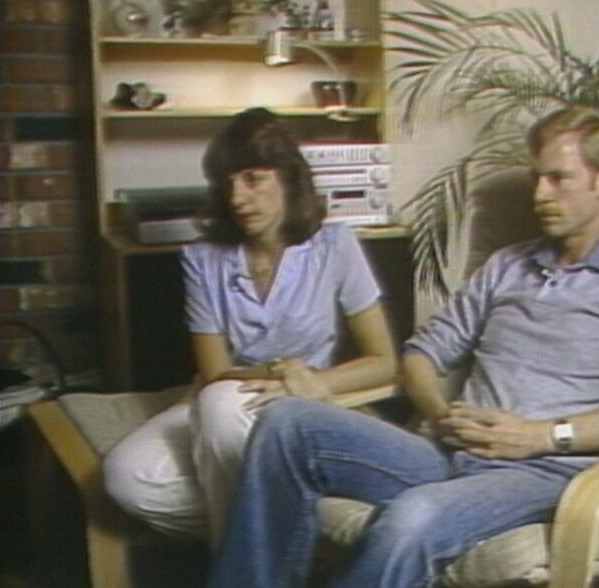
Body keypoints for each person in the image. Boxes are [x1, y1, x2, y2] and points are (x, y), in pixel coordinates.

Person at [208, 106, 599, 587]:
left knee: (412, 517)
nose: (539, 194)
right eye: (536, 179)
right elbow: (423, 353)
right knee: (286, 420)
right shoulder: (508, 266)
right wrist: (439, 413)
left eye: (558, 178)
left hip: (545, 472)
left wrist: (543, 435)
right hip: (449, 450)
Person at [102, 108, 397, 546]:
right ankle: (288, 527)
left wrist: (311, 382)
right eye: (227, 183)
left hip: (304, 402)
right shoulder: (203, 258)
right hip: (229, 401)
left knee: (219, 406)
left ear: (288, 180)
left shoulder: (335, 245)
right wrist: (277, 374)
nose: (237, 197)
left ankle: (243, 567)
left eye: (253, 179)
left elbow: (384, 363)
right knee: (127, 476)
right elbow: (217, 371)